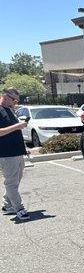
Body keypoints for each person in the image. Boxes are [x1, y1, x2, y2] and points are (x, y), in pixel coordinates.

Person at [0, 88, 30, 221]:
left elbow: (15, 131)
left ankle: (7, 205)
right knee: (11, 182)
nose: (15, 102)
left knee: (16, 180)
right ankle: (19, 208)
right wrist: (18, 126)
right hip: (7, 153)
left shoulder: (10, 110)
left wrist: (24, 147)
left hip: (17, 151)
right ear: (5, 96)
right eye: (14, 99)